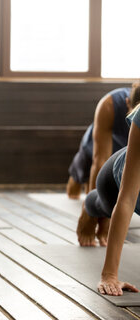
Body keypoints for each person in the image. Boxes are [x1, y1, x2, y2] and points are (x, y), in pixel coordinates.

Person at [74, 83, 140, 246]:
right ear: (127, 105)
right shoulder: (109, 105)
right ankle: (86, 200)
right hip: (95, 146)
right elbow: (99, 160)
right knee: (73, 186)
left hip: (127, 150)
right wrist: (95, 213)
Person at [85, 104, 140, 296]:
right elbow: (127, 198)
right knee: (101, 205)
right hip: (115, 183)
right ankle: (89, 206)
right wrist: (109, 275)